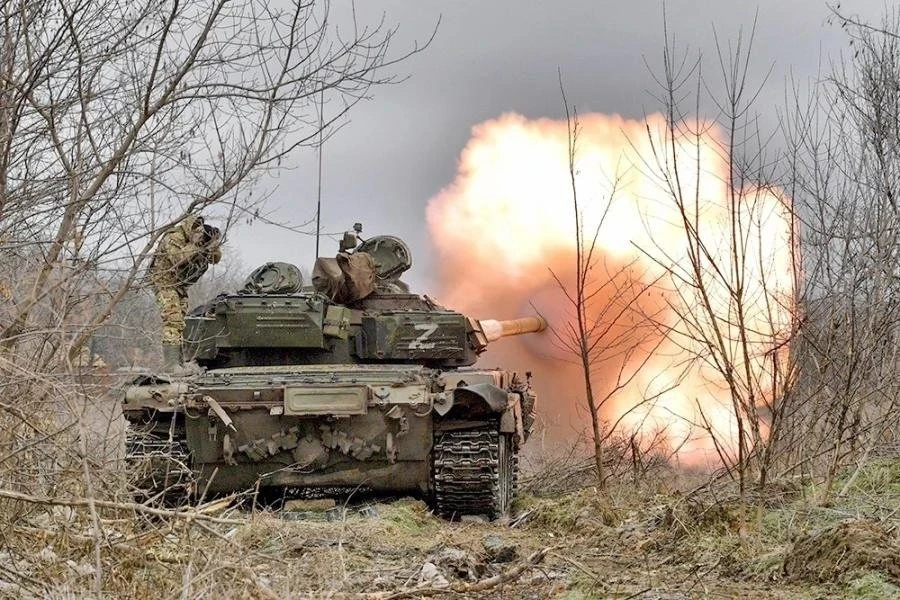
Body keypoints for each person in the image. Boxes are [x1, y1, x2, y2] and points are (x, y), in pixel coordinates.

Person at [148, 214, 221, 371]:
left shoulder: (195, 242)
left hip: (179, 286)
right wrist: (195, 245)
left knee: (180, 324)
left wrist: (212, 244)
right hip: (164, 283)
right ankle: (171, 365)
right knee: (172, 320)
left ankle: (178, 363)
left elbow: (215, 260)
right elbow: (178, 259)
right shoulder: (174, 237)